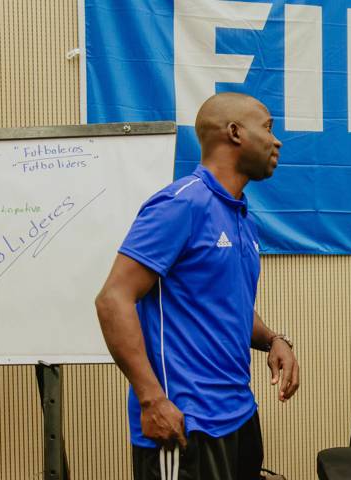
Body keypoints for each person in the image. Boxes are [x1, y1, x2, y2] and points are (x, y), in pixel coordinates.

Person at [95, 92, 299, 480]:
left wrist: (275, 339)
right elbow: (112, 299)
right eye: (268, 128)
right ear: (235, 132)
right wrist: (151, 399)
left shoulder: (240, 216)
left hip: (238, 415)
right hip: (185, 423)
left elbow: (226, 305)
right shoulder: (180, 204)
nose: (277, 141)